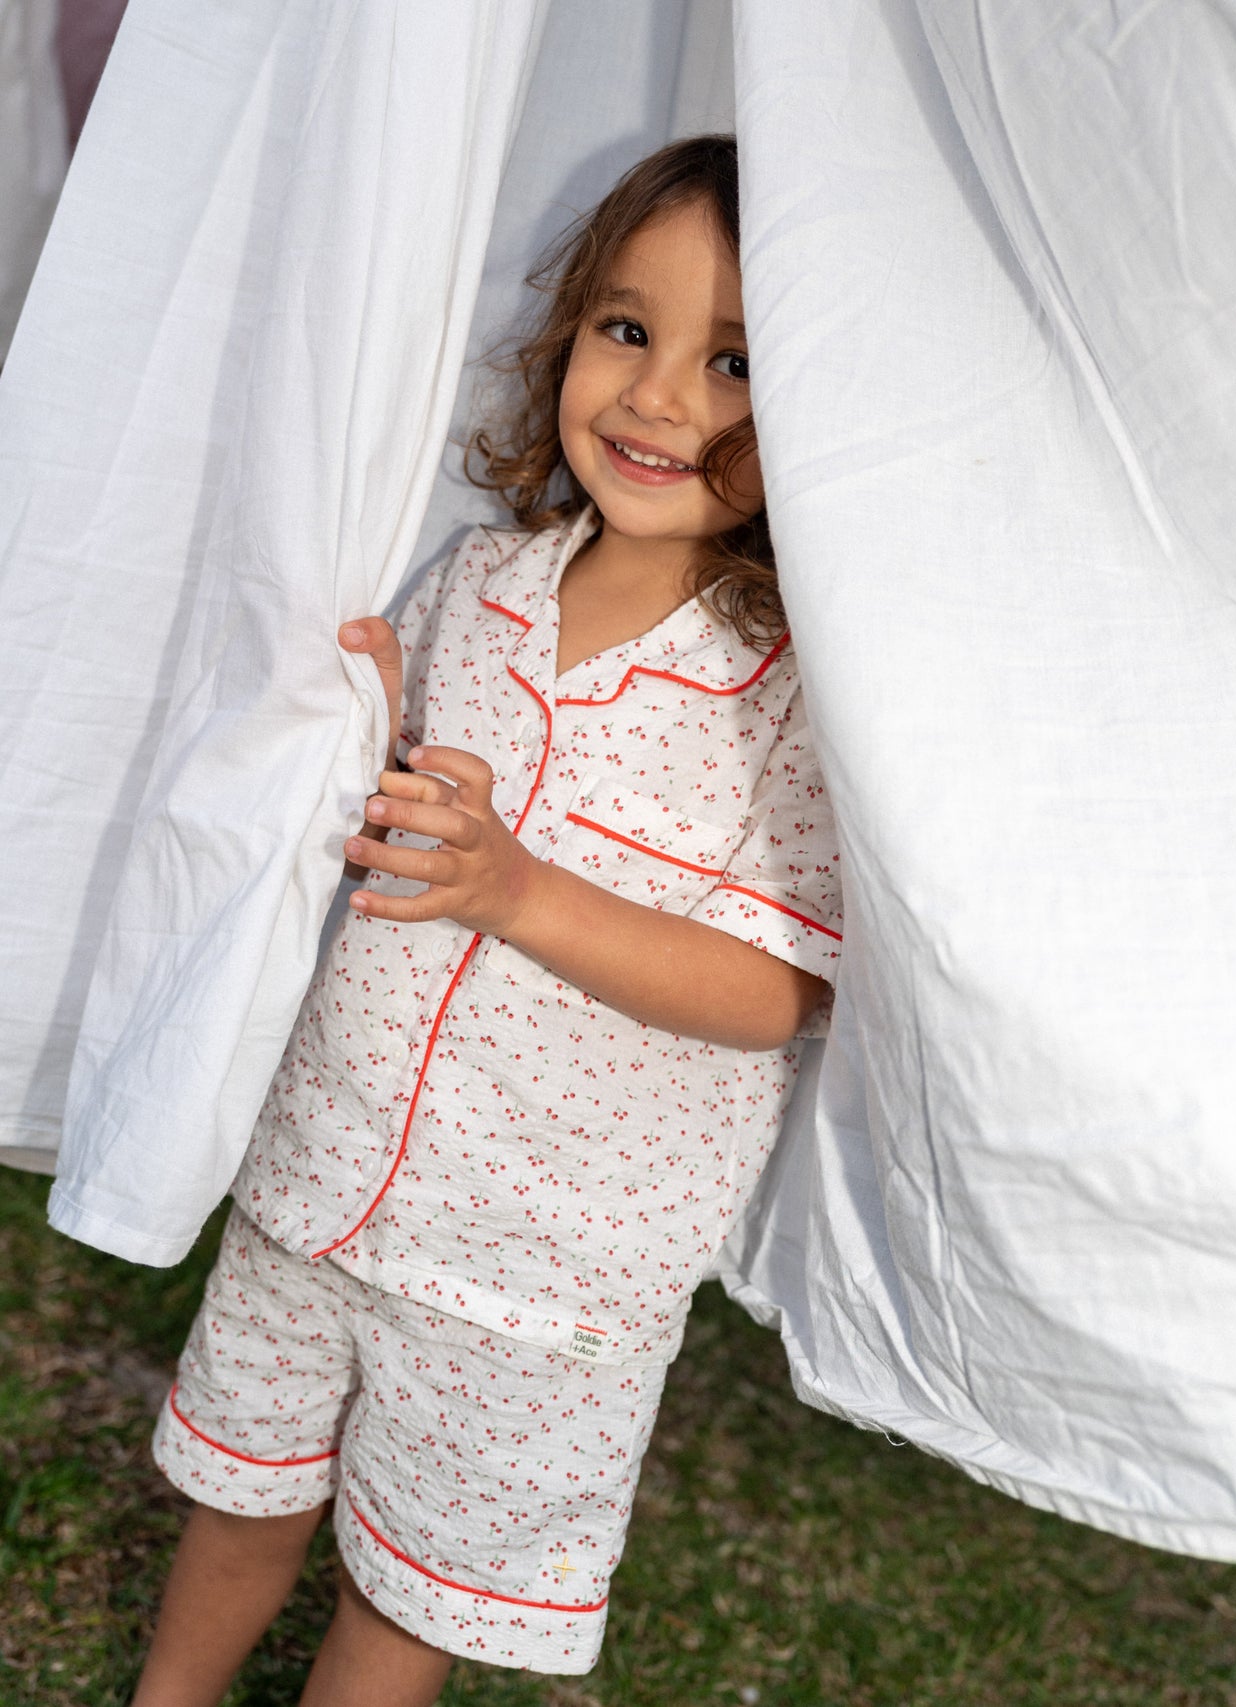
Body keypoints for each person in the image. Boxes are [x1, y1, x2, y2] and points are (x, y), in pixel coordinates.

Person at [130, 134, 842, 1707]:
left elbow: (780, 988)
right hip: (326, 1176)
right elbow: (410, 813)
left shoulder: (789, 696)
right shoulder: (485, 580)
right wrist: (360, 735)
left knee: (409, 1590)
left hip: (541, 1273)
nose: (657, 400)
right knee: (242, 1488)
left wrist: (518, 888)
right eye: (626, 328)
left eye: (733, 362)